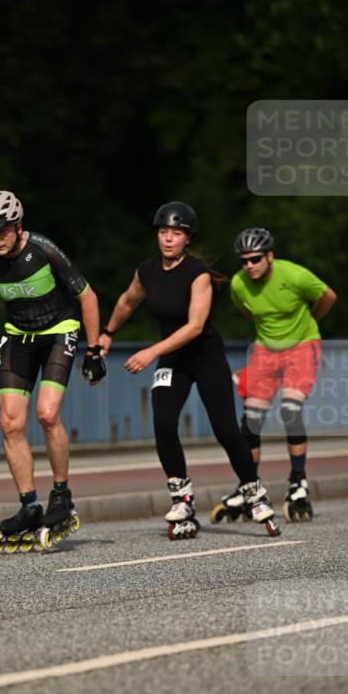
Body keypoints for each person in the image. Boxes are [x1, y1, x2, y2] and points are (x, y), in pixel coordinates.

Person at [99, 201, 279, 539]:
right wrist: (107, 334)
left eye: (176, 234)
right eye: (163, 232)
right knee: (164, 424)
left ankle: (254, 491)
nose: (168, 239)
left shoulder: (198, 274)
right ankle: (182, 498)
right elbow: (126, 301)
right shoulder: (148, 271)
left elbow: (195, 327)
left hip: (204, 356)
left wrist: (151, 351)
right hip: (173, 360)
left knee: (226, 430)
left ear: (188, 239)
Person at [0, 191, 105, 551]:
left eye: (2, 231)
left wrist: (94, 349)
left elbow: (87, 297)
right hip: (18, 338)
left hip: (59, 331)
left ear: (18, 226)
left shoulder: (43, 250)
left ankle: (61, 494)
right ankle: (29, 505)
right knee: (10, 423)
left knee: (47, 413)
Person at [229, 226, 337, 521]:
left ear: (270, 256)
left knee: (290, 411)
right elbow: (247, 311)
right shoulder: (238, 284)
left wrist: (309, 323)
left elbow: (328, 296)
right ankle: (249, 484)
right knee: (250, 421)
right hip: (266, 349)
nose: (248, 265)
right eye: (243, 261)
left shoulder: (295, 275)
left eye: (255, 259)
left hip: (302, 345)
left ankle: (297, 481)